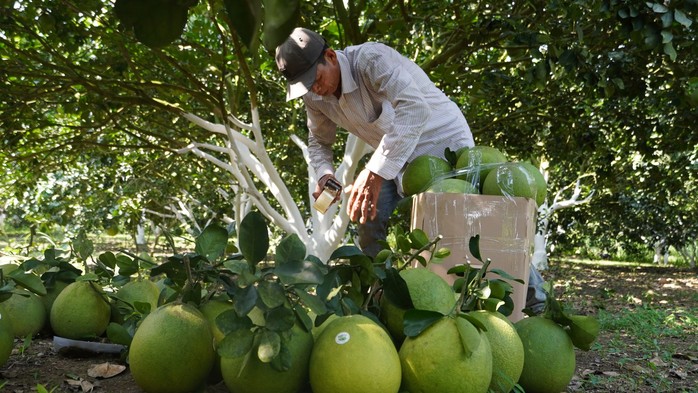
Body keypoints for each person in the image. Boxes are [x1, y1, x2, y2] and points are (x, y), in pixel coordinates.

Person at [275, 27, 546, 312]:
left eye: (316, 79)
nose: (315, 89)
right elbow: (319, 142)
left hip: (441, 142)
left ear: (330, 56)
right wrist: (325, 174)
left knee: (466, 222)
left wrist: (374, 173)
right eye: (306, 87)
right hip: (395, 157)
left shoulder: (370, 59)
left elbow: (415, 109)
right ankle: (380, 300)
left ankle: (534, 297)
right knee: (369, 220)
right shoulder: (314, 97)